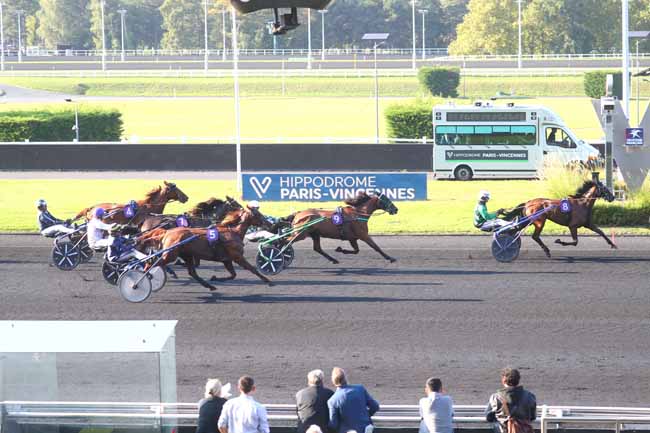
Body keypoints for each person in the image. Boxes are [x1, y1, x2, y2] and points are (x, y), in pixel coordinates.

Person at [327, 367, 379, 433]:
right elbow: (375, 406)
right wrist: (366, 416)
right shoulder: (360, 389)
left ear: (333, 381)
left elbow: (333, 425)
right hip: (365, 429)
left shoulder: (333, 401)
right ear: (345, 378)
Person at [485, 368, 536, 433]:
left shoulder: (495, 397)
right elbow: (533, 417)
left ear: (503, 380)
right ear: (518, 380)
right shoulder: (530, 396)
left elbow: (488, 417)